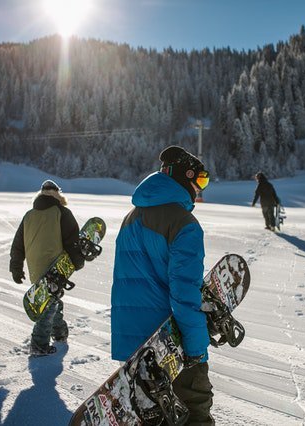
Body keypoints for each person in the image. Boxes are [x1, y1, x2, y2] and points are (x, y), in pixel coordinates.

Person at [111, 145, 213, 425]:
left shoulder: (130, 218)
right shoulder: (185, 224)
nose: (200, 188)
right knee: (195, 411)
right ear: (184, 177)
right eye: (200, 180)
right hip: (170, 345)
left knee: (151, 417)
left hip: (133, 344)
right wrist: (195, 349)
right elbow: (184, 293)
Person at [9, 180, 85, 356]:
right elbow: (72, 242)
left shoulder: (29, 215)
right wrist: (78, 261)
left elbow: (17, 245)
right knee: (49, 305)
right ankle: (39, 344)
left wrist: (16, 267)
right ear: (58, 195)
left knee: (51, 299)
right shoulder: (62, 212)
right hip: (55, 267)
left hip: (35, 267)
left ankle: (59, 333)